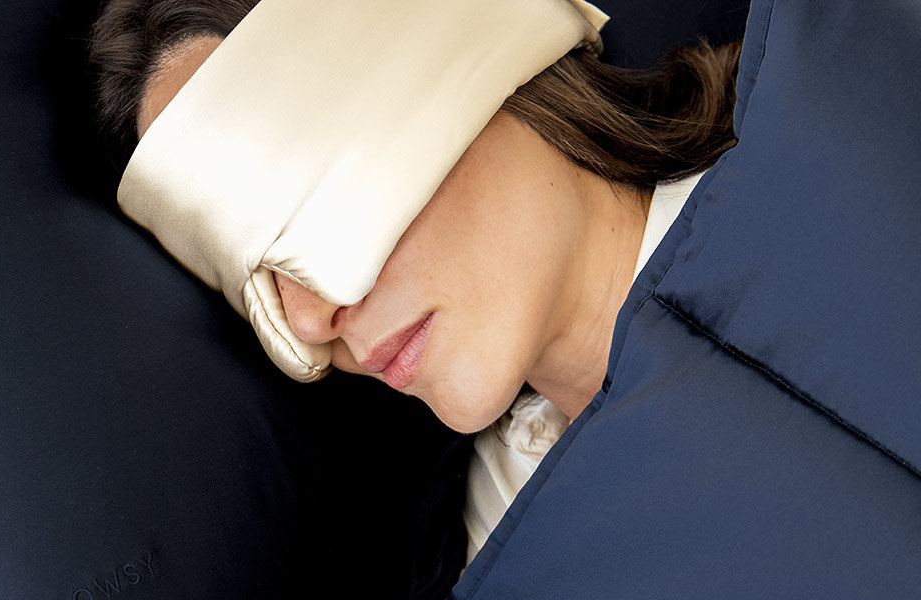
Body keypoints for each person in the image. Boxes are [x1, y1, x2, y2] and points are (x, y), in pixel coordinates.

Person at [89, 0, 742, 554]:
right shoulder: (516, 544)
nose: (309, 323)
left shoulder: (829, 163)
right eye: (253, 280)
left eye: (299, 204)